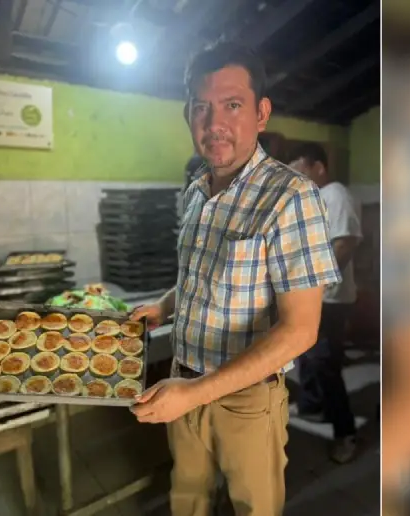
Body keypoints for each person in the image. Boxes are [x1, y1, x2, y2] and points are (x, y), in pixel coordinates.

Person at [129, 42, 341, 516]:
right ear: (187, 114)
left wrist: (197, 392)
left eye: (232, 105)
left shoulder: (291, 197)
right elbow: (200, 274)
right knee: (188, 500)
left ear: (261, 113)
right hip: (182, 380)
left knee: (254, 508)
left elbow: (301, 330)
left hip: (246, 401)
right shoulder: (196, 191)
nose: (214, 123)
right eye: (201, 108)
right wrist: (164, 305)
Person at [288, 143, 362, 463]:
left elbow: (346, 242)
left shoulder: (336, 195)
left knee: (325, 364)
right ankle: (312, 406)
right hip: (309, 295)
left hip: (330, 299)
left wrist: (318, 284)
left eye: (300, 172)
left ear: (318, 167)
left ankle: (346, 433)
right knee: (306, 355)